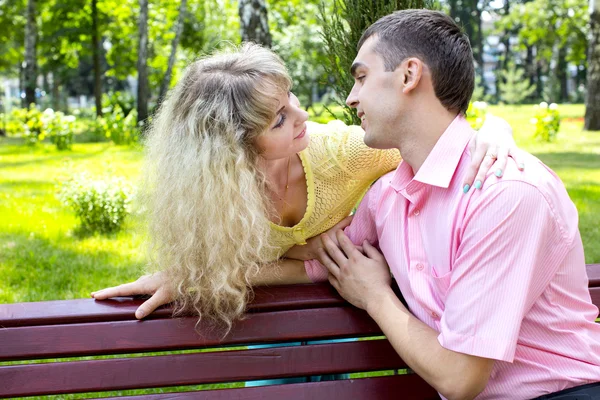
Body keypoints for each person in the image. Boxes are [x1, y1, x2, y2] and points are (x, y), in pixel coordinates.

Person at [91, 43, 521, 385]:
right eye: (280, 118)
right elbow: (237, 268)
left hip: (353, 314)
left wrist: (497, 129)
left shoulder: (341, 154)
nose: (303, 115)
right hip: (275, 323)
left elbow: (440, 139)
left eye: (290, 97)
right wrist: (190, 277)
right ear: (234, 149)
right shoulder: (215, 199)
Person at [312, 9, 600, 400]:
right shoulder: (387, 195)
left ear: (409, 75)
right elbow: (322, 260)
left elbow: (460, 378)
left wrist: (376, 297)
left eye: (362, 77)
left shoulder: (505, 192)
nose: (351, 98)